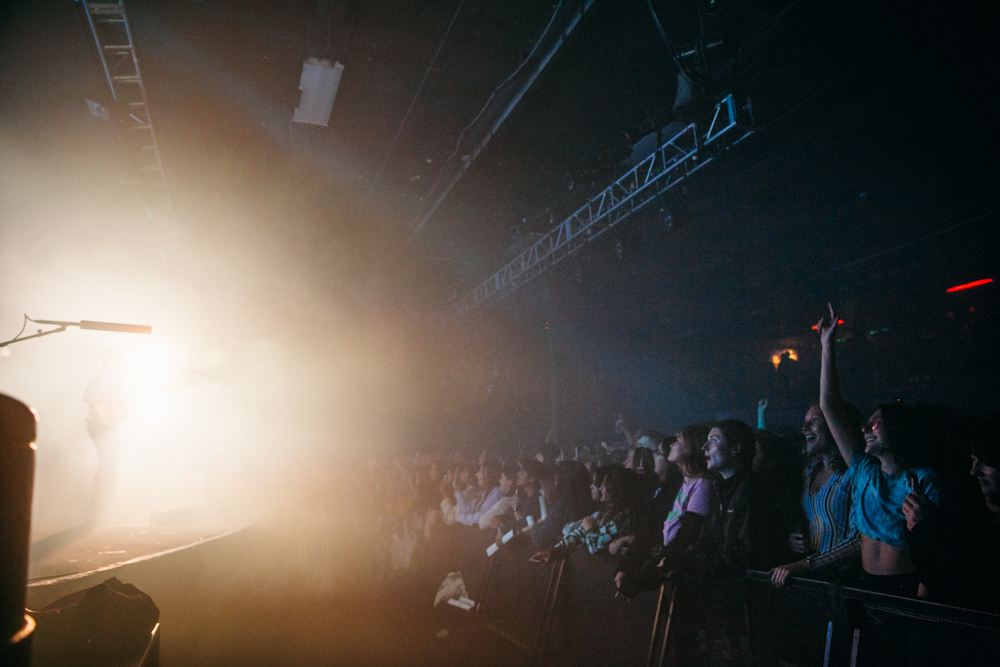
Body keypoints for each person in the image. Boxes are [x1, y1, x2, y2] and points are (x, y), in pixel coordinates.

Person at [815, 303, 942, 597]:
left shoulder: (923, 480)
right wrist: (826, 346)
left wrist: (922, 603)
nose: (865, 428)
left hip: (908, 589)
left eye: (876, 424)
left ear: (897, 430)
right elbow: (829, 407)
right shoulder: (863, 469)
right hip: (867, 585)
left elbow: (936, 549)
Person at [903, 416, 1000, 610]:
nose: (974, 471)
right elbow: (933, 577)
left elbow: (981, 585)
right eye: (973, 460)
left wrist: (929, 527)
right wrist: (915, 531)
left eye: (986, 461)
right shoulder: (965, 511)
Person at [615, 424, 715, 597]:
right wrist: (627, 568)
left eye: (678, 440)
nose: (671, 444)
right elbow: (653, 528)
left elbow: (686, 536)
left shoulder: (703, 485)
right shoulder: (682, 484)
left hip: (686, 580)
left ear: (691, 446)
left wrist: (640, 579)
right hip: (670, 566)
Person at [769, 404, 860, 588]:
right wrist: (794, 539)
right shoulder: (810, 472)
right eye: (805, 423)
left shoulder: (855, 474)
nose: (805, 428)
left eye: (815, 420)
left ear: (837, 425)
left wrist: (806, 565)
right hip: (815, 579)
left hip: (846, 581)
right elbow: (810, 520)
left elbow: (861, 541)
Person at [529, 467, 637, 563]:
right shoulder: (602, 514)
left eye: (604, 485)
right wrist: (552, 552)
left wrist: (590, 529)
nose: (600, 489)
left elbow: (595, 547)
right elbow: (578, 534)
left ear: (616, 489)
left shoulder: (623, 518)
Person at [84, 347, 132, 516]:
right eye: (117, 357)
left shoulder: (115, 376)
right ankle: (98, 506)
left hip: (108, 422)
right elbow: (88, 398)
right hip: (100, 423)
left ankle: (102, 506)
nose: (121, 359)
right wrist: (115, 400)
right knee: (108, 463)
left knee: (109, 463)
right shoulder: (102, 376)